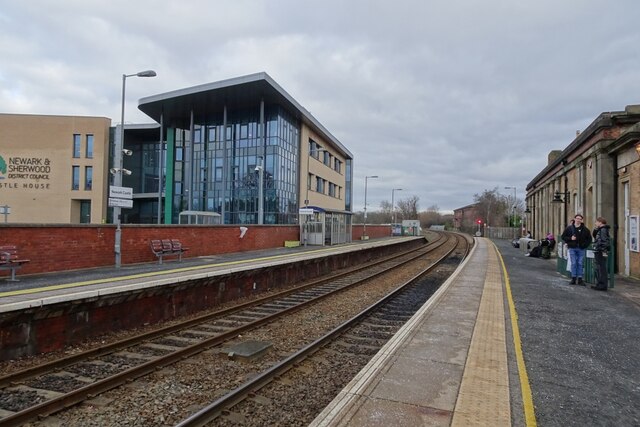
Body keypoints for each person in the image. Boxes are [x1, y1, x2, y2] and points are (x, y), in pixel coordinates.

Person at [561, 214, 592, 285]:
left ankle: (580, 279)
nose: (578, 220)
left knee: (580, 263)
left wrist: (585, 245)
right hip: (572, 247)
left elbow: (589, 239)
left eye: (580, 219)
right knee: (574, 263)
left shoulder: (585, 229)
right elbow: (563, 237)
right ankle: (573, 278)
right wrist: (570, 239)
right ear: (574, 219)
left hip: (581, 248)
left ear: (582, 220)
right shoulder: (569, 228)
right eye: (577, 218)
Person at [591, 217, 611, 291]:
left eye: (596, 222)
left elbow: (604, 241)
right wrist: (596, 229)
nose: (595, 223)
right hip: (599, 250)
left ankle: (602, 285)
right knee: (599, 268)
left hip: (600, 251)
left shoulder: (603, 230)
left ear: (600, 222)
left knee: (601, 268)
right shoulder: (601, 229)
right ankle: (600, 283)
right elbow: (594, 235)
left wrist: (602, 250)